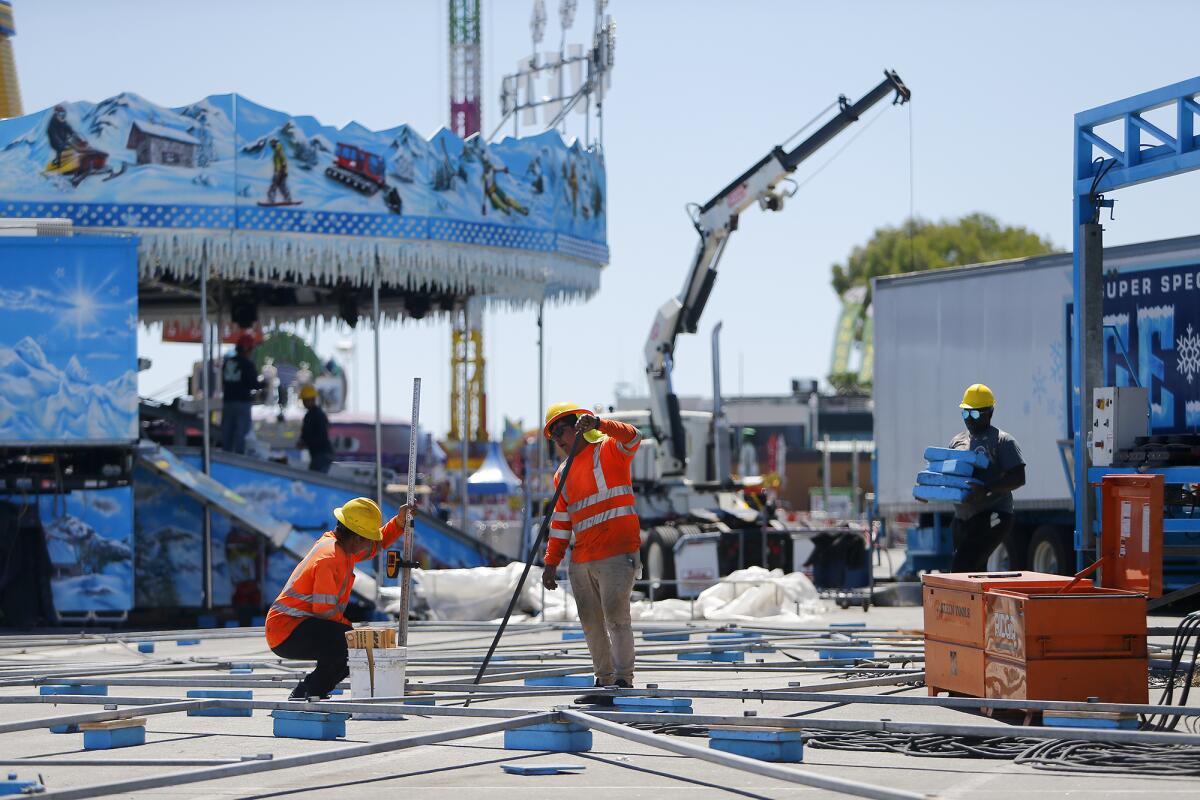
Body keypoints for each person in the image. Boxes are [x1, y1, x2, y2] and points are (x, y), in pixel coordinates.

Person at [540, 403, 643, 705]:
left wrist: (601, 423)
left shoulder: (609, 449)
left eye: (561, 431)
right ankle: (604, 681)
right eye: (553, 436)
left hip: (617, 551)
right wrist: (550, 562)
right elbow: (561, 521)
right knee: (591, 623)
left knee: (616, 618)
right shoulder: (562, 473)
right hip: (583, 557)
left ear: (580, 426)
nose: (558, 440)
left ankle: (623, 681)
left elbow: (634, 437)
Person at [266, 498, 409, 700]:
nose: (370, 544)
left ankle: (310, 691)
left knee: (349, 647)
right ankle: (309, 693)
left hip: (294, 625)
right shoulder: (330, 558)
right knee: (347, 645)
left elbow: (376, 545)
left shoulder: (342, 547)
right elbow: (323, 611)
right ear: (357, 538)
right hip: (287, 630)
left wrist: (399, 524)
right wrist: (352, 632)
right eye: (367, 538)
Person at [948, 383, 1026, 572]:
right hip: (962, 518)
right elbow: (949, 475)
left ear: (990, 412)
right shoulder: (957, 441)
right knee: (974, 571)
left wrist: (986, 489)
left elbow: (1018, 477)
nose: (969, 419)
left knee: (962, 568)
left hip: (993, 515)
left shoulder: (1003, 441)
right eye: (965, 413)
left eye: (974, 414)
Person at [221, 333, 264, 455]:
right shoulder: (247, 364)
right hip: (242, 404)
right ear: (248, 349)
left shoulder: (228, 362)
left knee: (227, 433)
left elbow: (224, 382)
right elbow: (254, 384)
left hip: (228, 402)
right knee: (241, 434)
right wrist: (264, 384)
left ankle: (225, 457)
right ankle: (238, 460)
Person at [299, 384, 334, 473]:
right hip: (320, 454)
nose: (304, 402)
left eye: (305, 400)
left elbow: (319, 435)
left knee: (315, 479)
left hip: (321, 455)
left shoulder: (316, 415)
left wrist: (305, 442)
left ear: (312, 400)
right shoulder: (313, 414)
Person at [267, 138, 292, 204]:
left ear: (275, 143)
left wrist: (282, 171)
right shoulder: (277, 151)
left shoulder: (279, 151)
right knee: (281, 185)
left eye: (272, 143)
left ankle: (271, 199)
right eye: (271, 144)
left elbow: (283, 161)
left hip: (280, 172)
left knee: (275, 185)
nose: (271, 145)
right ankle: (287, 198)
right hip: (280, 171)